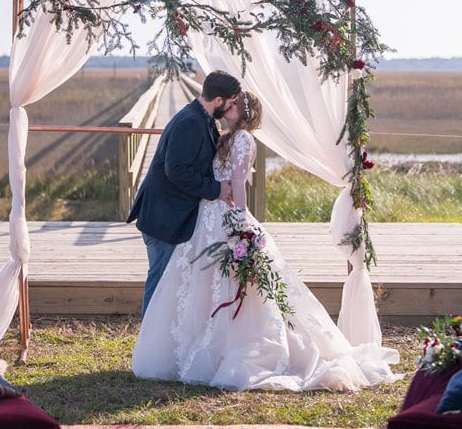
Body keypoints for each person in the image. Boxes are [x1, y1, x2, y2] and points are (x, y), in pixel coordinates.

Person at [132, 90, 400, 391]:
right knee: (200, 283)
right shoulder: (225, 136)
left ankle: (234, 346)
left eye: (234, 105)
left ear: (244, 112)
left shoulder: (244, 140)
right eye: (228, 102)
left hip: (227, 216)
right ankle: (192, 343)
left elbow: (237, 184)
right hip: (205, 219)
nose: (228, 107)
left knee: (233, 284)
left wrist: (242, 221)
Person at [126, 69, 241, 315]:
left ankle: (160, 337)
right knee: (160, 283)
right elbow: (176, 170)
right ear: (218, 100)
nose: (232, 106)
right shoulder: (190, 122)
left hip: (170, 214)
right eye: (231, 102)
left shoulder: (203, 119)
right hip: (162, 216)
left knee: (168, 283)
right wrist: (217, 189)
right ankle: (150, 344)